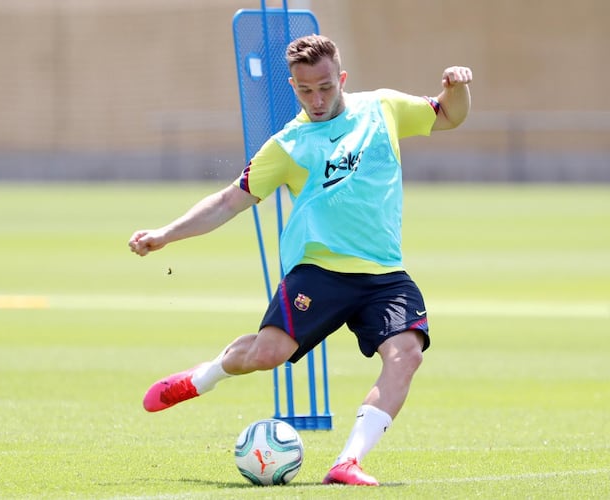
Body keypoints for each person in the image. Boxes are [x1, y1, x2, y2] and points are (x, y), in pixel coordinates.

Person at [128, 34, 472, 485]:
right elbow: (230, 201)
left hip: (384, 274)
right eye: (306, 89)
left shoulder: (382, 108)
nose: (317, 98)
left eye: (326, 87)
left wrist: (457, 86)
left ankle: (347, 462)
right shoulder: (288, 144)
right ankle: (201, 379)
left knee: (406, 354)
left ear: (342, 78)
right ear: (293, 86)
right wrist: (165, 235)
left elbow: (449, 115)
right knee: (267, 353)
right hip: (318, 272)